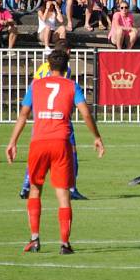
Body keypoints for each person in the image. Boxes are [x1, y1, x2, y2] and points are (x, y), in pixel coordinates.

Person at [6, 49, 105, 254]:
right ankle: (65, 243)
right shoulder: (72, 85)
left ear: (48, 66)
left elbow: (23, 114)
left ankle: (34, 239)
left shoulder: (36, 85)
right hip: (61, 142)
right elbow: (85, 113)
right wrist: (96, 137)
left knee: (35, 189)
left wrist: (12, 142)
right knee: (62, 194)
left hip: (39, 141)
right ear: (67, 67)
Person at [19, 40, 88, 200]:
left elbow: (35, 86)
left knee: (37, 154)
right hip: (59, 118)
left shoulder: (43, 67)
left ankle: (26, 186)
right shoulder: (66, 69)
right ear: (68, 52)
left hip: (41, 117)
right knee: (72, 153)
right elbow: (63, 90)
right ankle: (71, 189)